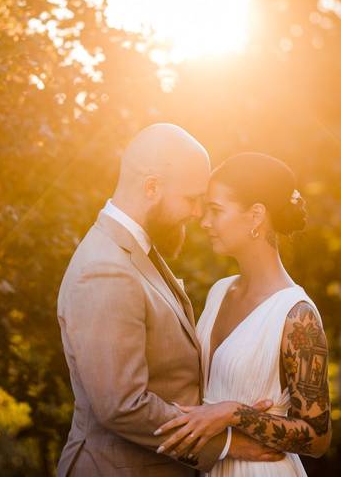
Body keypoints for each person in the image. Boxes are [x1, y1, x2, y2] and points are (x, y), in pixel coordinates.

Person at [56, 125, 284, 476]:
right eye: (192, 199)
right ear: (151, 188)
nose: (197, 214)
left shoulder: (137, 253)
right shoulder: (105, 269)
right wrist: (225, 444)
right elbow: (122, 405)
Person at [155, 152, 331, 476]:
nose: (204, 221)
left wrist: (234, 414)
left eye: (216, 210)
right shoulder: (219, 292)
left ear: (255, 215)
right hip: (210, 464)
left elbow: (318, 438)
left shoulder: (297, 315)